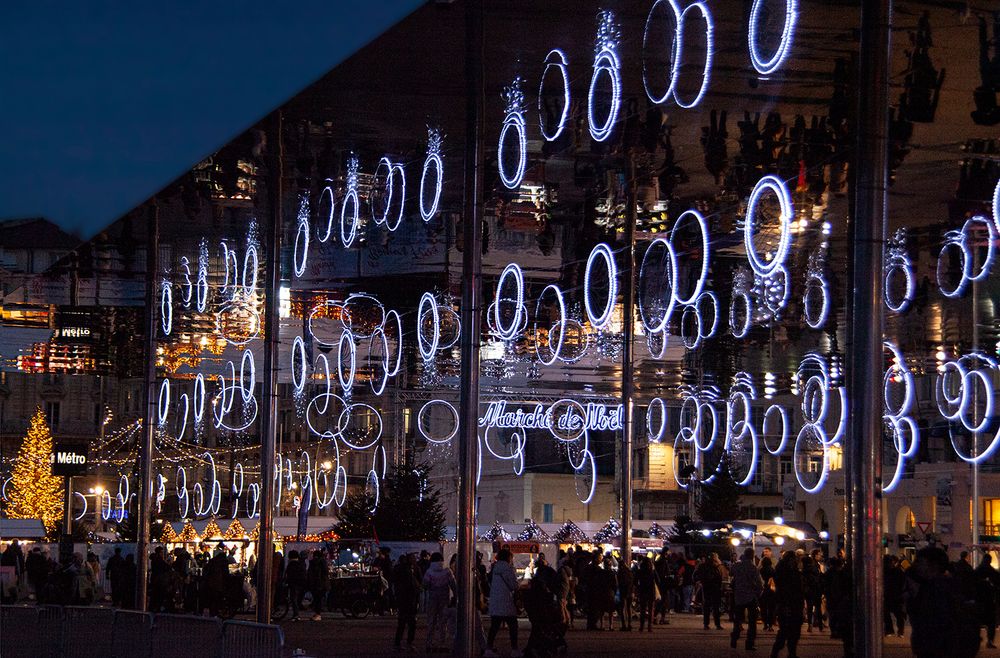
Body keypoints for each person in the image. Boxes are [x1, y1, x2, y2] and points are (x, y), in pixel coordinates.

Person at [908, 546, 979, 658]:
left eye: (921, 562)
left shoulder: (936, 589)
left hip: (938, 648)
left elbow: (936, 622)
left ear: (933, 565)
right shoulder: (947, 586)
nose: (917, 566)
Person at [485, 549, 520, 658]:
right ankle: (514, 649)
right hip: (506, 600)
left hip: (496, 600)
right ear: (508, 558)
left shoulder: (495, 568)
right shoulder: (508, 569)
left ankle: (488, 649)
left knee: (494, 626)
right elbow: (513, 585)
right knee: (513, 626)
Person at [770, 550, 804, 658]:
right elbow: (790, 588)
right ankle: (779, 652)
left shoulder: (785, 570)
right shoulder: (787, 571)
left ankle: (789, 652)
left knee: (789, 630)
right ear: (791, 559)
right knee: (787, 630)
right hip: (788, 604)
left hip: (790, 603)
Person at [731, 548, 764, 651]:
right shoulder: (753, 568)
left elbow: (731, 575)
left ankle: (734, 636)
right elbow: (759, 584)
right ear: (752, 556)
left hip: (738, 595)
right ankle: (749, 643)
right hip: (750, 596)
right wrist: (758, 593)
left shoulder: (736, 565)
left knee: (738, 619)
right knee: (752, 622)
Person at [423, 552, 455, 652]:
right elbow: (453, 584)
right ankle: (442, 642)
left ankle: (429, 643)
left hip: (433, 597)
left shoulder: (429, 571)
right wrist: (455, 595)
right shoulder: (447, 570)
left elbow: (425, 585)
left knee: (431, 620)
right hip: (444, 597)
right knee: (443, 621)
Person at [392, 554, 421, 651]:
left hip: (401, 599)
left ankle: (398, 643)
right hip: (409, 600)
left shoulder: (398, 570)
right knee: (411, 623)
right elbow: (414, 586)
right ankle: (409, 642)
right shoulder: (409, 572)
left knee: (402, 623)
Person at [975, 553, 1000, 648]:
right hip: (989, 600)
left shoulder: (977, 570)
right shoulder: (992, 571)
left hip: (978, 600)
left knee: (976, 621)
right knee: (991, 622)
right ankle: (989, 641)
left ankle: (976, 639)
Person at [694, 554, 724, 630]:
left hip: (708, 588)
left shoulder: (704, 566)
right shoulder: (714, 567)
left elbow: (695, 575)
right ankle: (716, 624)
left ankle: (707, 624)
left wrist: (700, 581)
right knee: (714, 607)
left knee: (708, 606)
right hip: (712, 588)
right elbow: (719, 577)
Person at [635, 556, 661, 633]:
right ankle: (650, 627)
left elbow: (635, 581)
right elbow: (658, 581)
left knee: (642, 610)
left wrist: (638, 587)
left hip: (642, 591)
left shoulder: (640, 571)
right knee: (651, 610)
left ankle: (641, 626)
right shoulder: (652, 571)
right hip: (651, 591)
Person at [883, 554, 907, 638]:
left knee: (899, 615)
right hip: (889, 595)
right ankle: (891, 630)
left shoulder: (898, 571)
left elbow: (903, 583)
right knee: (887, 614)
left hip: (896, 596)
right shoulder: (885, 571)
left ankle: (899, 631)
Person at [802, 549, 825, 632]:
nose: (820, 556)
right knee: (816, 607)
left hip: (811, 590)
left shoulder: (813, 565)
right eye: (818, 554)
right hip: (814, 589)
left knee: (811, 607)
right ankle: (818, 625)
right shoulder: (813, 566)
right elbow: (816, 578)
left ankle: (812, 625)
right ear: (815, 555)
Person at [306, 550, 329, 621]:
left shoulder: (312, 562)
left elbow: (310, 573)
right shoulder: (323, 562)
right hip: (321, 583)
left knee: (316, 599)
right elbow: (325, 572)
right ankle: (318, 614)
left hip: (314, 584)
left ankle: (317, 614)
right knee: (318, 599)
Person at [285, 550, 307, 622]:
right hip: (302, 583)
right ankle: (296, 614)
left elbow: (289, 575)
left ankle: (296, 615)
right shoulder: (301, 563)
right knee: (297, 599)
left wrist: (286, 581)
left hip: (294, 584)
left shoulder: (291, 564)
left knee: (293, 599)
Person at [759, 548, 777, 632]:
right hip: (771, 590)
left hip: (764, 589)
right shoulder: (773, 570)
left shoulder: (761, 570)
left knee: (763, 608)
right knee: (771, 608)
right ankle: (770, 625)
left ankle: (765, 624)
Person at [617, 555, 634, 631]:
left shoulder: (620, 572)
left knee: (623, 608)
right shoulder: (629, 572)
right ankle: (630, 624)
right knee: (629, 608)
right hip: (629, 591)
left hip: (623, 591)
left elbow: (618, 582)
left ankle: (624, 625)